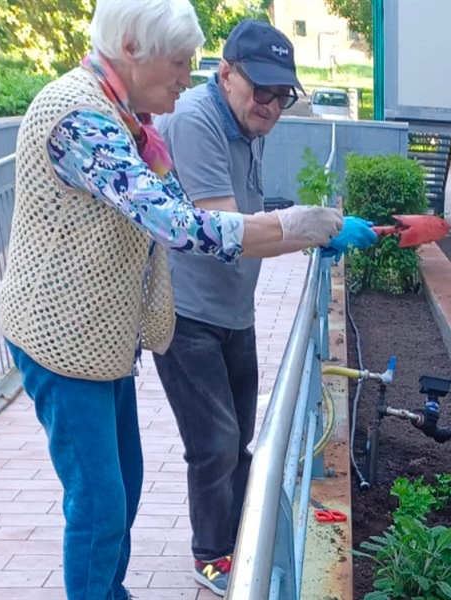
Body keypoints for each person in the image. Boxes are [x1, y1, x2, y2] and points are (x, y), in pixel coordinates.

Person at [0, 2, 351, 599]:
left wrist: (296, 224)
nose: (188, 77)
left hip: (102, 343)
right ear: (132, 47)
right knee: (100, 503)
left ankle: (110, 590)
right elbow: (177, 223)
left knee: (125, 482)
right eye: (181, 62)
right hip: (58, 340)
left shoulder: (128, 118)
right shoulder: (78, 116)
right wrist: (295, 227)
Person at [150, 19, 377, 595]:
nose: (272, 105)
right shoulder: (198, 121)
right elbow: (228, 232)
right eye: (262, 91)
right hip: (189, 313)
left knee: (242, 437)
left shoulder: (245, 125)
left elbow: (253, 211)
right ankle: (214, 555)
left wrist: (311, 228)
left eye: (282, 95)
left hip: (234, 312)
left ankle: (250, 531)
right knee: (216, 443)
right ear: (226, 74)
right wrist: (313, 225)